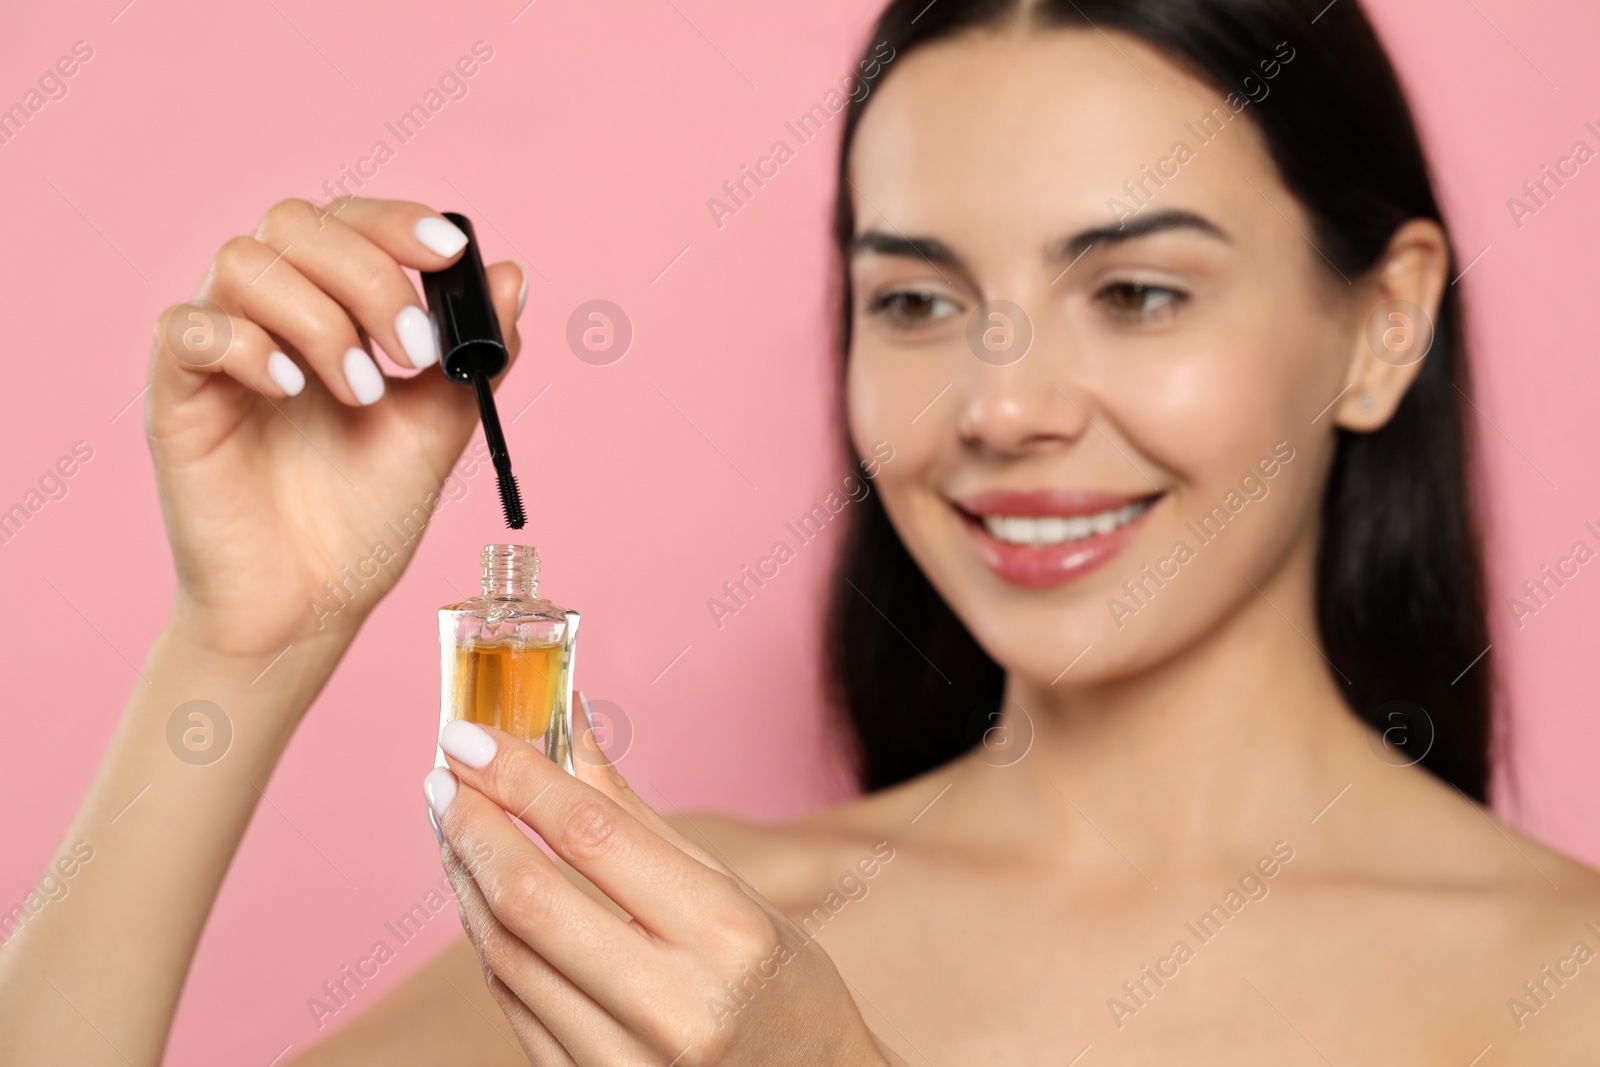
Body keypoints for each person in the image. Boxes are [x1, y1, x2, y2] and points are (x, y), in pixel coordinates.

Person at [4, 0, 1599, 1062]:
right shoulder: (662, 937)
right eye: (914, 299)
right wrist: (243, 643)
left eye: (1135, 291)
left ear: (1384, 326)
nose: (1002, 404)